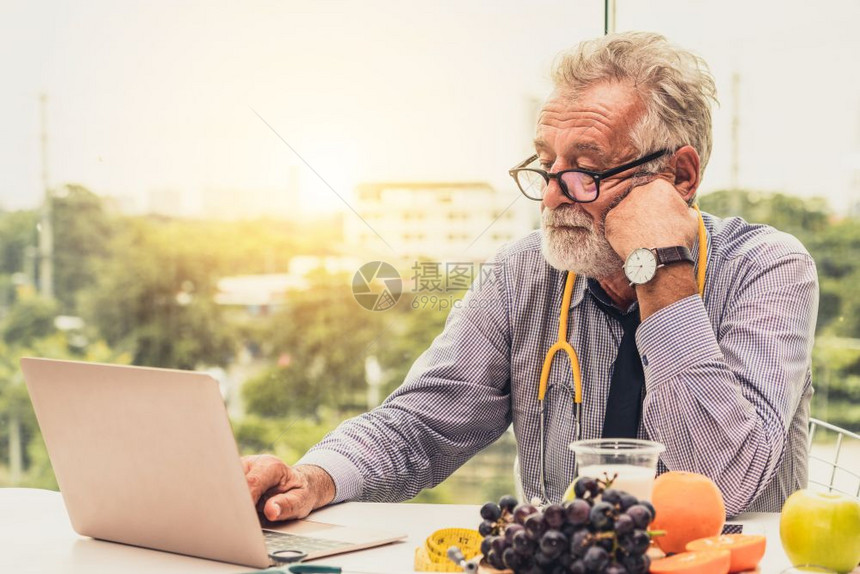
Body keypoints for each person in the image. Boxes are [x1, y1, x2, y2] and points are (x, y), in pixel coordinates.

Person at [243, 31, 818, 521]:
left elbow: (724, 483)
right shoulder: (524, 271)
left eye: (586, 170)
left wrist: (661, 269)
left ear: (681, 175)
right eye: (547, 166)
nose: (551, 196)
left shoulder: (768, 268)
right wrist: (314, 478)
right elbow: (421, 425)